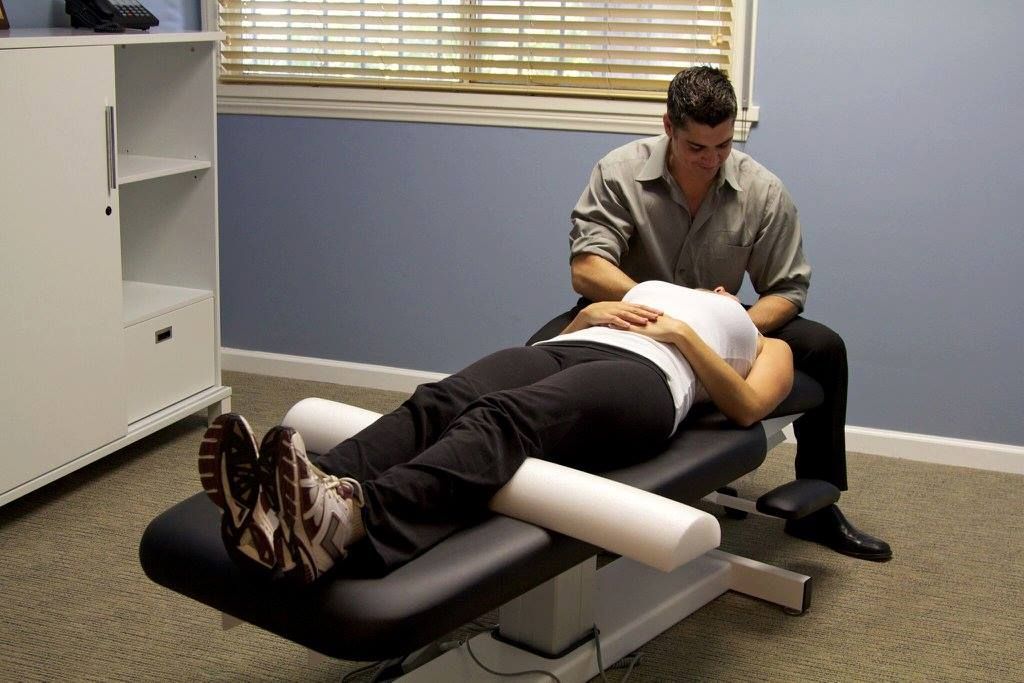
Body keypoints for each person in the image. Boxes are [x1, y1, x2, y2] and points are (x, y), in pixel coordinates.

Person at [199, 281, 793, 583]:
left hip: (650, 377)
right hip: (574, 344)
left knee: (505, 418)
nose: (718, 287)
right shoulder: (654, 286)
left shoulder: (764, 339)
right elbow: (562, 326)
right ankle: (298, 495)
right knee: (445, 398)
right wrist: (591, 314)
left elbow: (746, 407)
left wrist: (684, 337)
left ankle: (354, 519)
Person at [551, 66, 891, 561]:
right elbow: (587, 268)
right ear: (669, 127)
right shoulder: (619, 170)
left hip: (718, 316)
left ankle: (817, 506)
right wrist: (666, 310)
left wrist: (734, 325)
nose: (711, 160)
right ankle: (559, 497)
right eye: (696, 149)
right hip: (632, 309)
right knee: (540, 355)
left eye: (723, 146)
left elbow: (787, 290)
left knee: (824, 348)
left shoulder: (762, 190)